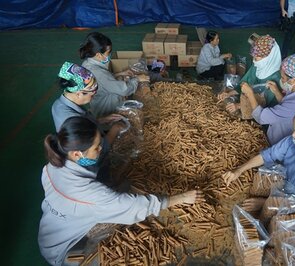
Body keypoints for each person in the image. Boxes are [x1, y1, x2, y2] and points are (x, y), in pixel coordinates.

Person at [38, 116, 205, 266]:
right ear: (77, 153)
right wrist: (182, 198)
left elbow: (95, 163)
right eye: (97, 147)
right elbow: (135, 205)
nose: (100, 149)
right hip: (64, 250)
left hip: (51, 229)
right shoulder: (93, 195)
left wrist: (115, 130)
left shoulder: (52, 166)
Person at [241, 53, 295, 145]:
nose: (281, 80)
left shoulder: (294, 104)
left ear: (293, 80)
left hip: (279, 141)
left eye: (283, 78)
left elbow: (261, 117)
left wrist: (250, 93)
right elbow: (286, 103)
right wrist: (276, 92)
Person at [52, 61, 124, 145]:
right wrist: (116, 128)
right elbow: (98, 150)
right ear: (79, 94)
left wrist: (101, 120)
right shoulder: (74, 121)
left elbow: (84, 121)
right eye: (92, 95)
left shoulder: (58, 104)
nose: (94, 96)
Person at [80, 32, 149, 118]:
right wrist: (137, 79)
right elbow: (124, 90)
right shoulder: (99, 73)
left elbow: (103, 82)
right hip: (107, 113)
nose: (109, 55)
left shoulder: (86, 64)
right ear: (98, 55)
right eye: (108, 53)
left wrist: (118, 74)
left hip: (97, 103)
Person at [217, 34, 282, 115]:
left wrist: (239, 106)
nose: (254, 61)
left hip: (264, 115)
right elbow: (244, 83)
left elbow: (264, 103)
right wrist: (229, 93)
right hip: (249, 105)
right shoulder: (257, 66)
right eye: (253, 57)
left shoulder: (276, 77)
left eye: (256, 58)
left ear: (268, 58)